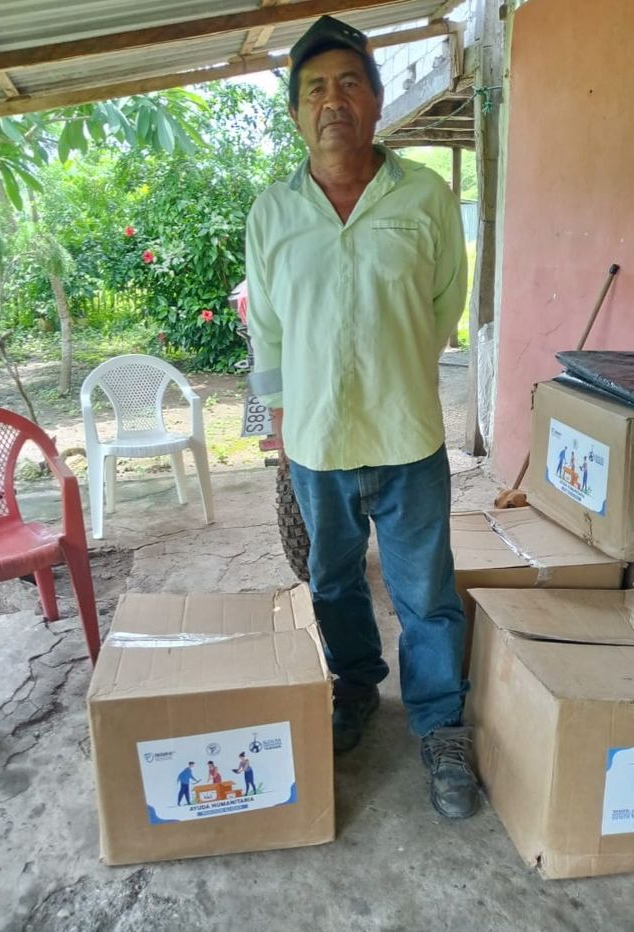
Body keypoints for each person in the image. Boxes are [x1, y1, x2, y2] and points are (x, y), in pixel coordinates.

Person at [246, 15, 479, 819]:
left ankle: (440, 723)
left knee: (426, 592)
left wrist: (397, 369)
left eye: (350, 83)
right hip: (316, 443)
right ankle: (354, 687)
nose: (332, 101)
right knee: (334, 581)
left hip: (407, 435)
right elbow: (267, 330)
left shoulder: (425, 198)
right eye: (315, 89)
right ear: (295, 114)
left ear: (377, 102)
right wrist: (281, 423)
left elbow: (446, 302)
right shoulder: (271, 213)